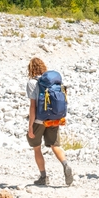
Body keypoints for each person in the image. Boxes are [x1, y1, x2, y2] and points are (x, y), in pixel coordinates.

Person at [25, 57, 74, 186]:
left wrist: (30, 126)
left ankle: (43, 177)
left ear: (31, 69)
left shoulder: (32, 83)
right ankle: (65, 164)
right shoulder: (53, 83)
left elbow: (32, 106)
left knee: (37, 148)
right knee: (55, 145)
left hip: (39, 120)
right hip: (54, 119)